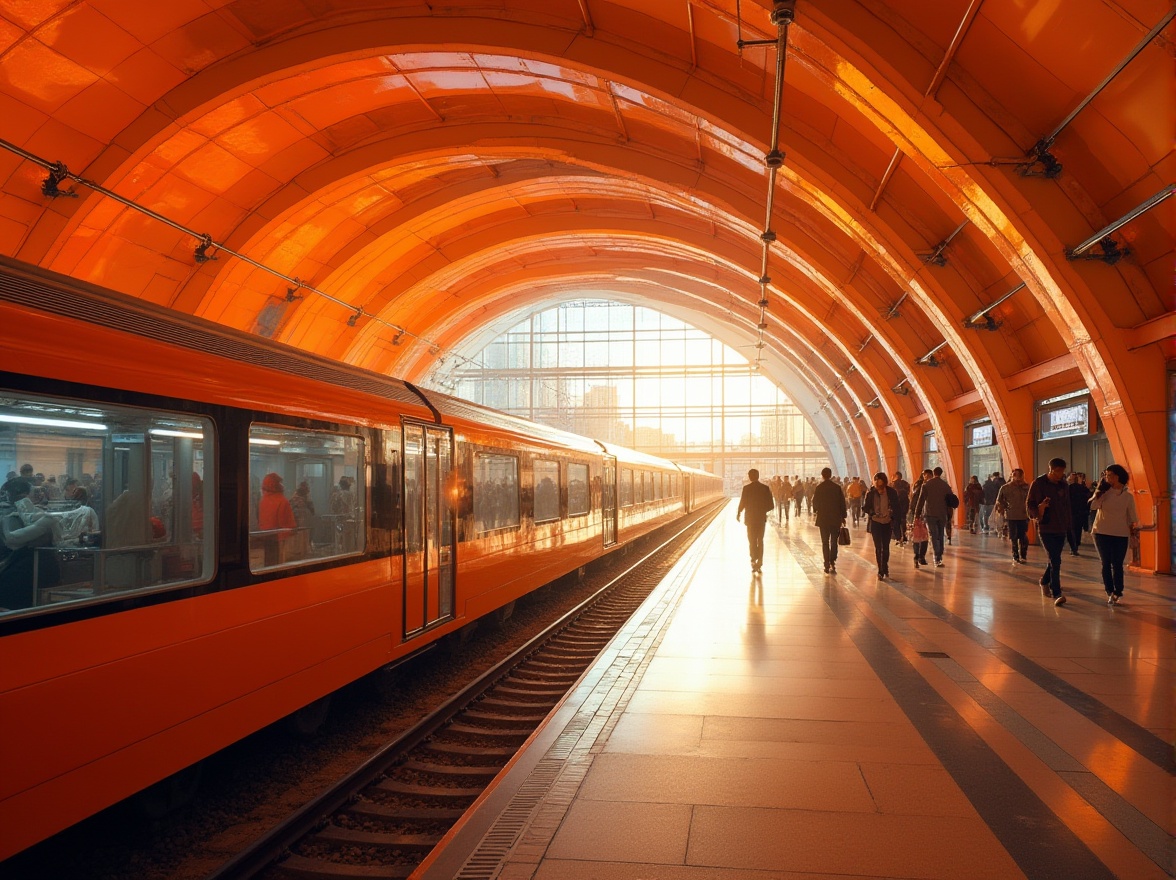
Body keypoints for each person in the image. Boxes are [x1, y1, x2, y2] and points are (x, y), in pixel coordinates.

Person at [0, 477, 60, 610]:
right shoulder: (13, 514)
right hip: (23, 574)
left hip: (19, 574)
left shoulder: (22, 514)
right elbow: (13, 541)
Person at [1089, 464, 1139, 605]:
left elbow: (1132, 517)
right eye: (1106, 475)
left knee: (1117, 564)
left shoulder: (1128, 496)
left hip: (1120, 534)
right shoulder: (1104, 492)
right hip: (1101, 532)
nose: (1107, 477)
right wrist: (1100, 493)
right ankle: (1109, 591)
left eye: (1110, 474)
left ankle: (1118, 590)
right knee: (1106, 563)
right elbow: (1093, 506)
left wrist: (1133, 531)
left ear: (1118, 476)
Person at [1026, 458, 1072, 606]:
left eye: (1062, 471)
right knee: (1055, 559)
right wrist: (1038, 512)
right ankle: (1056, 592)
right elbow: (1030, 503)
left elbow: (1067, 505)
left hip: (1061, 526)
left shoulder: (1063, 485)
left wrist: (1069, 524)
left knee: (1055, 559)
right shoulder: (1038, 484)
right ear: (1051, 469)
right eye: (1058, 471)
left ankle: (1045, 580)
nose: (1061, 474)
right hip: (1046, 526)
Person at [735, 469, 774, 573]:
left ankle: (753, 558)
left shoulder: (746, 488)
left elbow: (742, 502)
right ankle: (760, 561)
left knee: (752, 540)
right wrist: (762, 510)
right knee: (760, 540)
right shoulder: (765, 488)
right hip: (761, 519)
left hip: (750, 519)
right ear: (758, 476)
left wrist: (739, 512)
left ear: (749, 477)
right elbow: (771, 505)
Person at [912, 467, 951, 567]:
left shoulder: (926, 485)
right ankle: (939, 557)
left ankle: (936, 556)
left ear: (933, 473)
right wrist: (949, 516)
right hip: (942, 514)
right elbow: (950, 502)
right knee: (940, 534)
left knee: (933, 535)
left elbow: (921, 501)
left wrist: (916, 514)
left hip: (930, 514)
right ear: (941, 473)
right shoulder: (946, 486)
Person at [862, 472, 898, 578]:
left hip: (887, 522)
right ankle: (880, 569)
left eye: (879, 479)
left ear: (884, 480)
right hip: (875, 522)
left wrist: (894, 516)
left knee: (885, 546)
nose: (877, 482)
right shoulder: (871, 493)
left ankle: (885, 565)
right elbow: (865, 507)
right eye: (876, 479)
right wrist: (872, 512)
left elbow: (897, 506)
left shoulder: (891, 492)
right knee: (878, 547)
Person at [811, 467, 847, 574]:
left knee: (825, 542)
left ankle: (826, 562)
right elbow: (842, 503)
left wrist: (816, 510)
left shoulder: (819, 487)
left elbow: (815, 502)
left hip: (823, 519)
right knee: (834, 541)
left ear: (822, 475)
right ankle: (832, 560)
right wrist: (843, 516)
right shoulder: (837, 488)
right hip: (835, 518)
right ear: (830, 475)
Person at [995, 469, 1030, 564]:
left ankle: (1023, 555)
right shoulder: (1005, 487)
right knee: (1013, 536)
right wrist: (1003, 508)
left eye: (1018, 475)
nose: (1016, 477)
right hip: (1011, 515)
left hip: (1024, 515)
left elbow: (1032, 499)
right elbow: (999, 500)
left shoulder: (1027, 487)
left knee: (1023, 536)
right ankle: (1015, 555)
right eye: (1014, 475)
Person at [1066, 473, 1091, 556]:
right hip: (1080, 513)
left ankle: (1073, 547)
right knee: (1078, 530)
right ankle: (1075, 546)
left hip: (1071, 513)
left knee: (1072, 530)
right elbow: (1088, 500)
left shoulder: (1068, 488)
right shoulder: (1084, 489)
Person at [892, 471, 910, 545]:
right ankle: (904, 535)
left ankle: (898, 537)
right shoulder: (906, 484)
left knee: (896, 521)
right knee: (903, 520)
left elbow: (891, 494)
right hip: (905, 503)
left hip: (896, 504)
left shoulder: (893, 484)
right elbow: (908, 492)